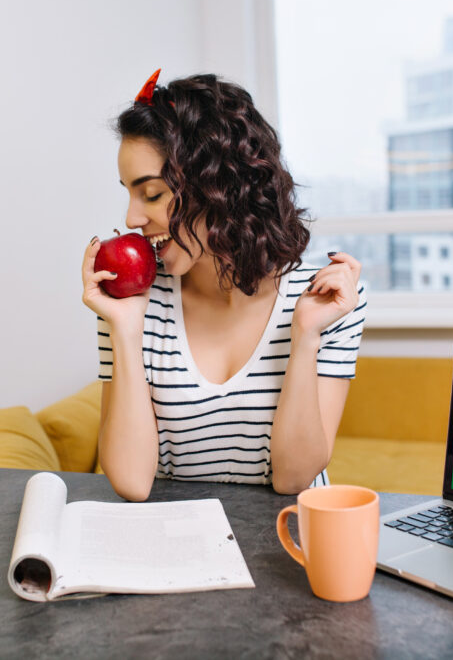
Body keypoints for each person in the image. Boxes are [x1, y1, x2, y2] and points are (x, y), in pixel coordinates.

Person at [81, 70, 365, 501]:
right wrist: (124, 329)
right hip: (180, 547)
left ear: (217, 188)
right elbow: (132, 483)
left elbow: (293, 478)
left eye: (152, 194)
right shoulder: (132, 303)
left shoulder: (328, 302)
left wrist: (305, 336)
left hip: (285, 542)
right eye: (129, 194)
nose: (131, 220)